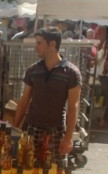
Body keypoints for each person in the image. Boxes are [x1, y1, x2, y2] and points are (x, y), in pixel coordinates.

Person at [13, 27, 82, 161]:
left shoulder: (71, 73)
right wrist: (14, 129)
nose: (36, 47)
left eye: (39, 43)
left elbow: (73, 107)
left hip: (56, 130)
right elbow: (24, 101)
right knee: (26, 167)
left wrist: (68, 138)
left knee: (54, 169)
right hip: (32, 128)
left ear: (52, 44)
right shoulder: (33, 70)